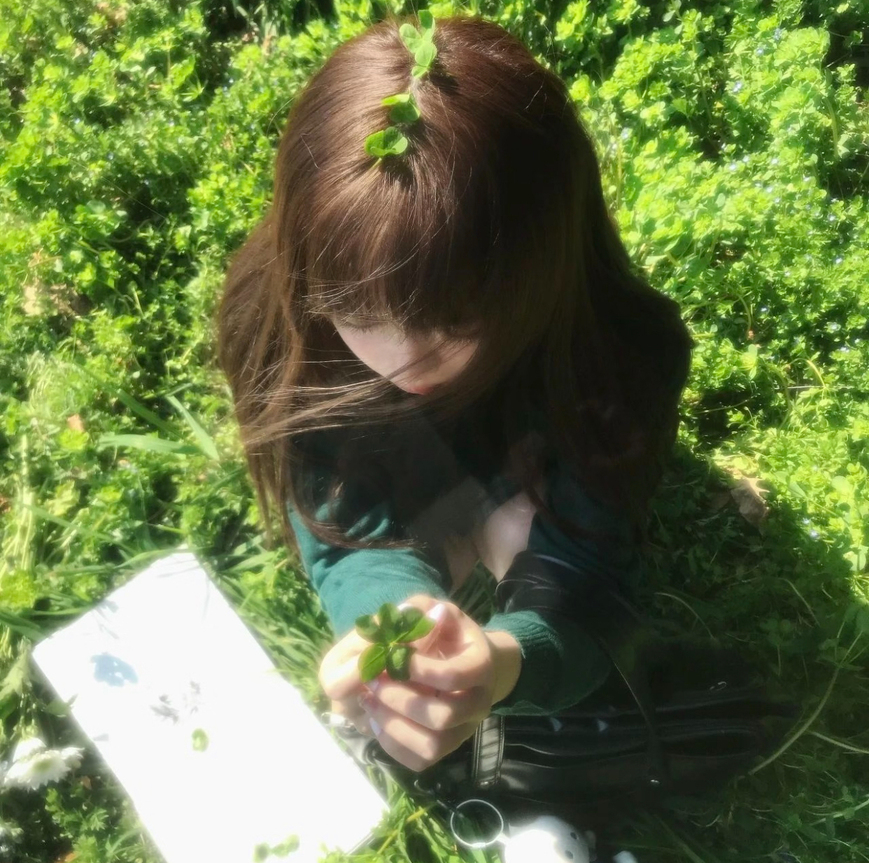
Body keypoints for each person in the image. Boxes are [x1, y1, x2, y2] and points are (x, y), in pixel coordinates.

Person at [217, 13, 693, 778]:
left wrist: (505, 660)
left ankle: (500, 532)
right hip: (412, 466)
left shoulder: (615, 355)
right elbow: (339, 522)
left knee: (524, 535)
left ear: (540, 264)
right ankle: (476, 534)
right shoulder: (287, 325)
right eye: (357, 315)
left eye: (456, 318)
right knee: (460, 524)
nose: (401, 358)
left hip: (527, 444)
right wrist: (390, 611)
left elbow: (591, 581)